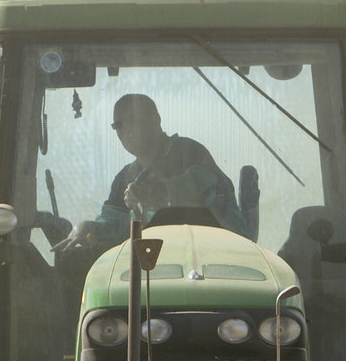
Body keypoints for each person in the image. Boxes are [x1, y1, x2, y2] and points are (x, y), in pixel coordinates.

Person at [52, 94, 246, 253]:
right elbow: (116, 226)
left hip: (212, 260)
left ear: (156, 120)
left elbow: (207, 204)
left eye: (133, 120)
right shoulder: (125, 178)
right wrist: (89, 228)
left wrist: (160, 196)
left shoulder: (189, 154)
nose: (125, 130)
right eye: (118, 125)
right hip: (149, 270)